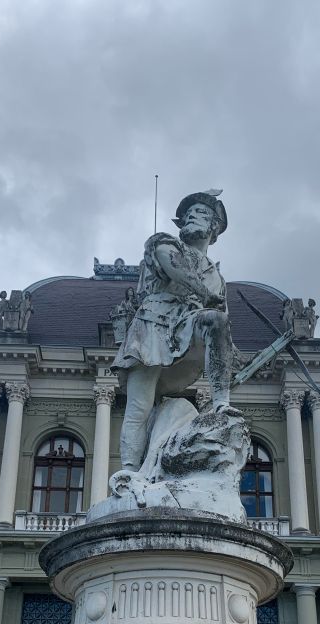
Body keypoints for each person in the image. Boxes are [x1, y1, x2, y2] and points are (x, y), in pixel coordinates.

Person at [111, 189, 236, 471]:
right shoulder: (165, 243)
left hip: (185, 326)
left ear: (214, 227)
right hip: (153, 325)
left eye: (200, 213)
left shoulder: (218, 278)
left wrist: (237, 362)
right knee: (139, 407)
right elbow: (173, 266)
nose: (192, 215)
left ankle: (221, 404)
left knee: (216, 321)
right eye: (187, 214)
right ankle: (130, 473)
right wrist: (204, 293)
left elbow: (221, 328)